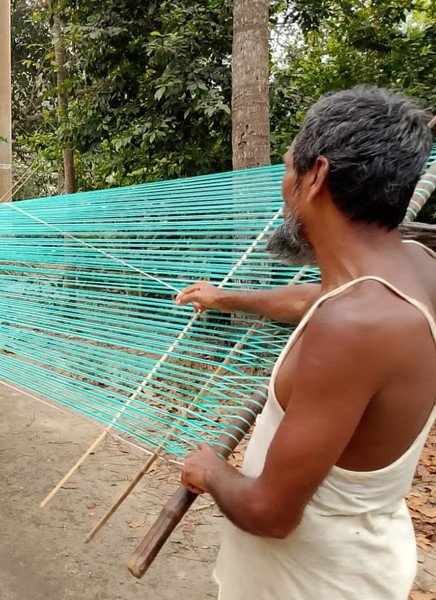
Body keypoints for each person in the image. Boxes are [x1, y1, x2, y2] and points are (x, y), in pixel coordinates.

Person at [174, 86, 436, 600]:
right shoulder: (415, 270)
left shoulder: (350, 328)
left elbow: (269, 513)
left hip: (311, 586)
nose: (283, 184)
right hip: (367, 563)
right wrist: (226, 298)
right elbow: (315, 297)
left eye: (289, 167)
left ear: (315, 176)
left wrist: (211, 471)